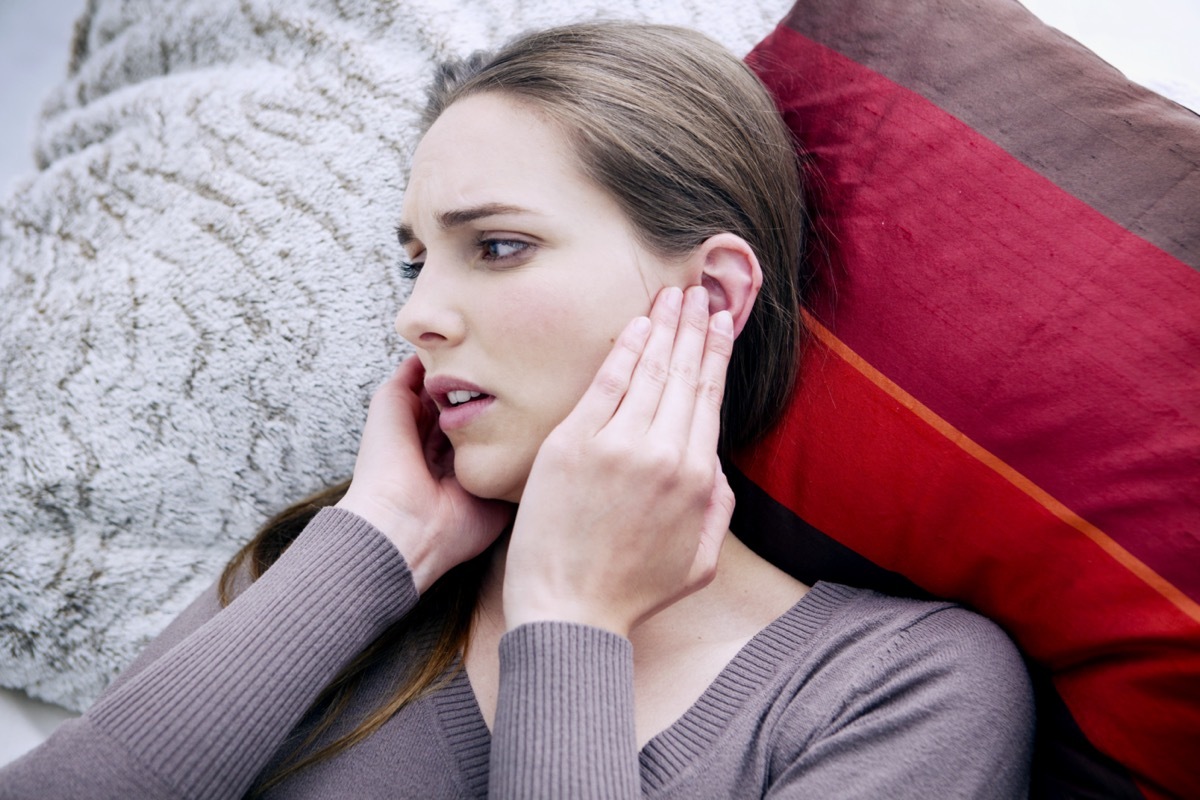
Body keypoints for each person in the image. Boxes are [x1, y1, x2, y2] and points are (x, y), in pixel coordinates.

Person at [0, 20, 1033, 799]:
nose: (416, 315)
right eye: (413, 260)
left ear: (712, 295)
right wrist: (376, 543)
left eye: (497, 245)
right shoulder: (337, 573)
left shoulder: (898, 689)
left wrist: (572, 621)